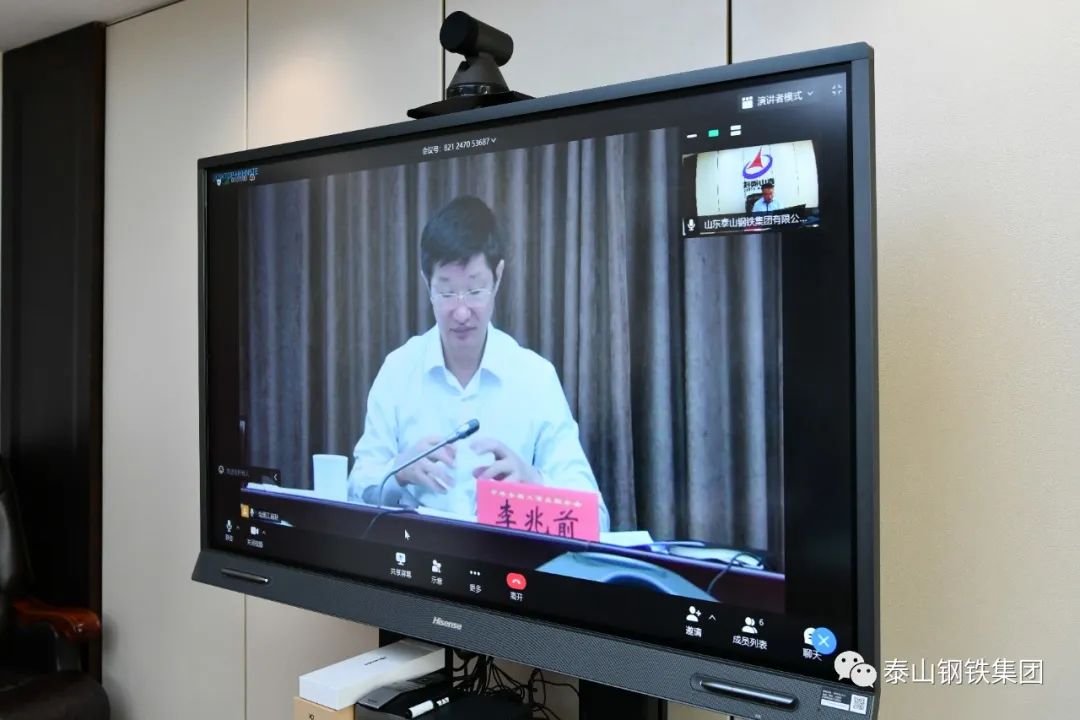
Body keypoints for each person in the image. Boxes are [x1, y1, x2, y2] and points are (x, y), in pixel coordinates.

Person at [347, 195, 610, 531]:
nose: (461, 312)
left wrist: (534, 481)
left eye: (474, 291)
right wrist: (397, 472)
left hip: (505, 559)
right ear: (427, 284)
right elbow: (354, 491)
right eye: (446, 292)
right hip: (416, 553)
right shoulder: (398, 370)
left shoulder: (535, 378)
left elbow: (597, 519)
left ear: (497, 277)